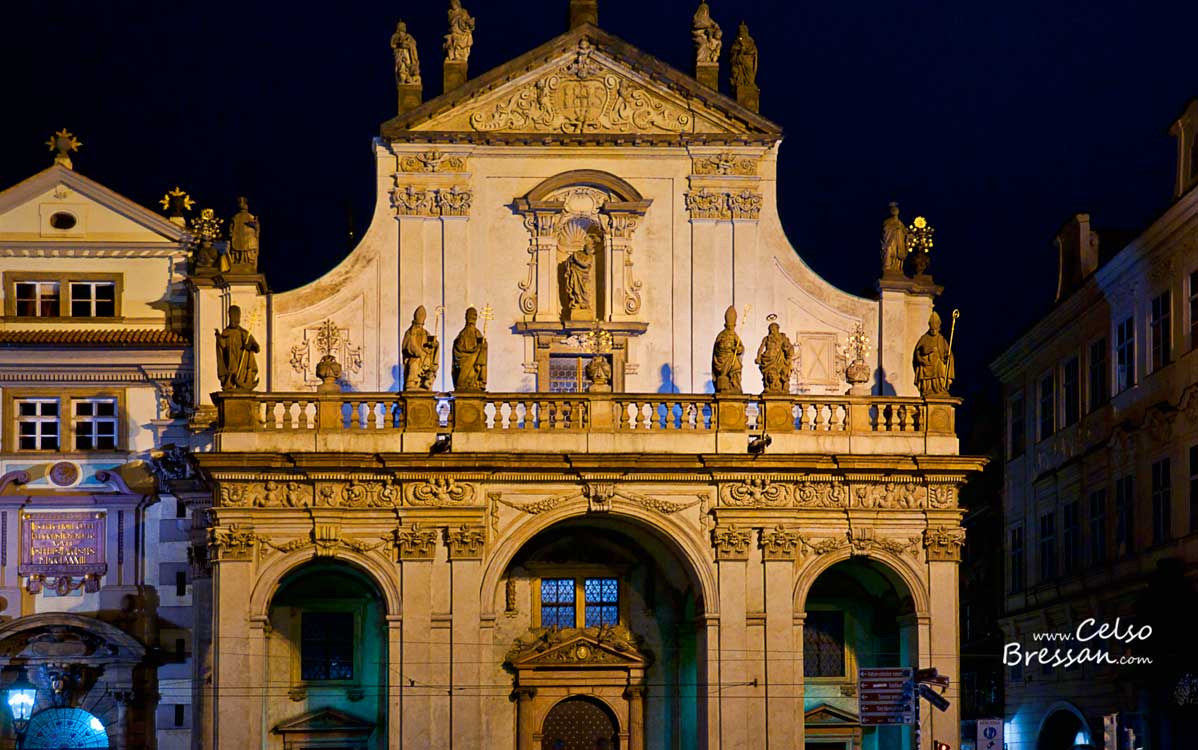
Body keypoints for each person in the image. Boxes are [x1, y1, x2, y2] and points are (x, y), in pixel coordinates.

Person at [215, 305, 260, 391]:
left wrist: (249, 346)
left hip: (244, 366)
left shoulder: (244, 333)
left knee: (241, 373)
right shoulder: (226, 333)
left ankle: (244, 382)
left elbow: (257, 348)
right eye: (233, 317)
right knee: (232, 371)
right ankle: (230, 383)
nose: (235, 320)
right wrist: (218, 338)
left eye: (237, 317)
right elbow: (222, 348)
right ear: (230, 317)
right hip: (231, 364)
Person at [913, 310, 954, 396]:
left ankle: (939, 388)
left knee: (939, 367)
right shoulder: (924, 338)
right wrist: (921, 359)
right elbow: (917, 352)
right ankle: (928, 389)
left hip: (938, 365)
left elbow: (947, 353)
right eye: (932, 329)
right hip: (926, 364)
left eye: (936, 329)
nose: (934, 331)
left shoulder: (941, 339)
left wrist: (947, 356)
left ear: (939, 329)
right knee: (928, 374)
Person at [402, 305, 439, 390]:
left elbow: (432, 342)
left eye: (421, 324)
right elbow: (408, 346)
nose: (420, 326)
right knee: (414, 364)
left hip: (425, 357)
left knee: (429, 364)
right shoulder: (410, 333)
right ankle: (412, 382)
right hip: (415, 357)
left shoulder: (425, 333)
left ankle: (426, 381)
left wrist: (434, 344)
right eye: (418, 324)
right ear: (415, 322)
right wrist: (418, 351)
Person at [563, 231, 599, 315]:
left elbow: (585, 265)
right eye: (588, 248)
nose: (589, 250)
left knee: (585, 291)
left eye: (590, 249)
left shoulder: (590, 257)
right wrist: (571, 260)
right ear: (585, 247)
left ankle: (584, 304)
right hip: (575, 274)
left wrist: (576, 259)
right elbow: (569, 262)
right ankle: (577, 303)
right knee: (575, 289)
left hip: (584, 277)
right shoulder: (578, 253)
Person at [452, 307, 488, 391]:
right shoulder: (462, 333)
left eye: (474, 316)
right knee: (461, 382)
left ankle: (477, 382)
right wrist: (468, 351)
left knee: (483, 348)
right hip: (464, 361)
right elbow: (457, 347)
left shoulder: (477, 333)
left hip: (474, 361)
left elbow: (483, 345)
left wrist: (483, 344)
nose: (472, 318)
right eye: (470, 316)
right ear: (466, 317)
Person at [712, 305, 744, 393]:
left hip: (732, 358)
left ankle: (735, 385)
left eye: (732, 326)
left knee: (736, 366)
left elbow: (741, 347)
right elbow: (717, 349)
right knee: (724, 373)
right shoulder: (721, 335)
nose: (731, 328)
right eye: (729, 326)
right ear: (726, 325)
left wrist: (738, 349)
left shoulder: (734, 335)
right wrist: (724, 347)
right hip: (723, 360)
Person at [755, 322, 794, 394]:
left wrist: (787, 350)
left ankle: (782, 386)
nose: (772, 331)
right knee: (769, 374)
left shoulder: (783, 338)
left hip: (779, 359)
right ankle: (768, 386)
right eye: (770, 329)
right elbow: (761, 348)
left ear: (777, 329)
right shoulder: (766, 338)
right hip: (767, 358)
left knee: (782, 373)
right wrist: (758, 357)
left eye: (773, 329)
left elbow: (789, 348)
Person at [228, 196, 260, 269]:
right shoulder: (236, 217)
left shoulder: (251, 216)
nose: (241, 205)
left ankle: (247, 262)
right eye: (240, 202)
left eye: (243, 203)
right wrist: (231, 232)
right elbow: (231, 227)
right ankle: (239, 261)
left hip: (248, 238)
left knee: (248, 249)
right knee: (238, 248)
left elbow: (256, 227)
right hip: (238, 236)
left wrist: (254, 226)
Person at [880, 202, 908, 275]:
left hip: (899, 241)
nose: (895, 211)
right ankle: (887, 268)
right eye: (893, 210)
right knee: (888, 251)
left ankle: (898, 269)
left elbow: (905, 232)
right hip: (890, 241)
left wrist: (907, 234)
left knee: (898, 255)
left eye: (896, 209)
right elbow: (885, 230)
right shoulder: (887, 221)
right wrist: (894, 227)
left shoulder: (900, 222)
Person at [730, 22, 757, 88]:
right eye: (740, 31)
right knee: (738, 74)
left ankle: (750, 84)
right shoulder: (737, 41)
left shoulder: (750, 40)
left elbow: (753, 50)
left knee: (750, 74)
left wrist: (746, 50)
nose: (741, 33)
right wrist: (740, 50)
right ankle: (740, 83)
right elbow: (733, 51)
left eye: (743, 31)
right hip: (739, 60)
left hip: (748, 59)